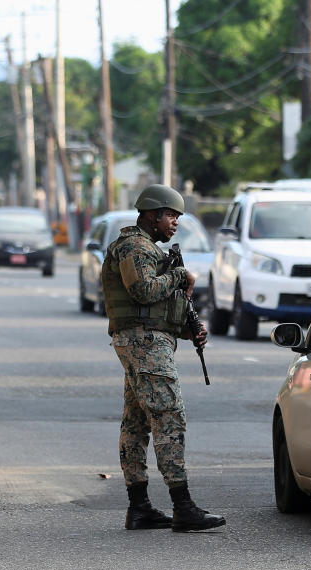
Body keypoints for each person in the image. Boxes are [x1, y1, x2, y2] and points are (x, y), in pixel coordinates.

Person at [100, 184, 226, 532]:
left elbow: (154, 307)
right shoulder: (134, 247)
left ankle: (139, 508)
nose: (175, 223)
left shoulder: (148, 249)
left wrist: (189, 330)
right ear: (153, 214)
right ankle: (182, 507)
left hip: (146, 341)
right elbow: (143, 290)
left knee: (138, 422)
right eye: (171, 215)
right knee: (169, 417)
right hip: (143, 344)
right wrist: (179, 275)